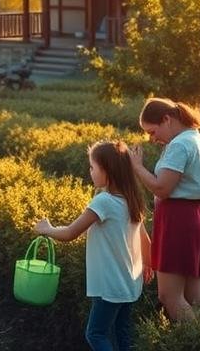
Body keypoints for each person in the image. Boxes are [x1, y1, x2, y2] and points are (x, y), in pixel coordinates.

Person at [34, 141, 151, 351]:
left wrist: (48, 229)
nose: (90, 171)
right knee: (122, 333)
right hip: (131, 283)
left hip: (110, 285)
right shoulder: (131, 200)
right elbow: (144, 239)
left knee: (95, 333)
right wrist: (149, 264)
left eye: (92, 167)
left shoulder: (103, 201)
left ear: (107, 171)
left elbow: (71, 233)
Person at [128, 97, 200, 324]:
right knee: (193, 294)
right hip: (197, 218)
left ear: (167, 119)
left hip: (180, 221)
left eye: (152, 131)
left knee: (169, 296)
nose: (152, 138)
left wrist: (137, 166)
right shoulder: (197, 139)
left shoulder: (180, 144)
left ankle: (195, 342)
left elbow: (162, 187)